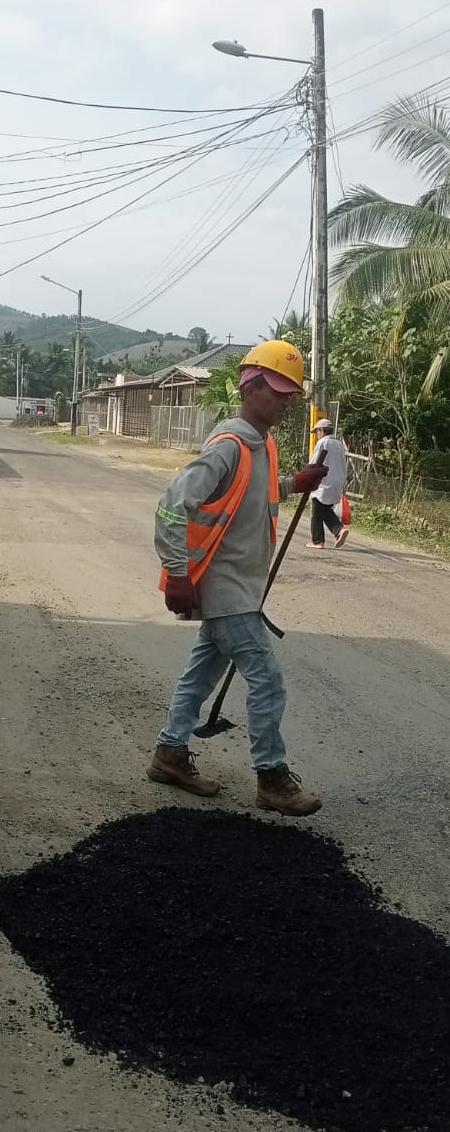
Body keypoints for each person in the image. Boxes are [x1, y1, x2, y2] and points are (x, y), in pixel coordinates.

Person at [149, 340, 328, 817]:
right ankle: (271, 777)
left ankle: (170, 752)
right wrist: (177, 571)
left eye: (291, 394)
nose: (287, 401)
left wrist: (295, 484)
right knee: (267, 679)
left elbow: (255, 494)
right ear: (250, 388)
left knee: (200, 674)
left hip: (241, 587)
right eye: (278, 391)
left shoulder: (261, 444)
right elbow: (172, 505)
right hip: (225, 588)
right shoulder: (228, 445)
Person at [307, 417, 349, 549]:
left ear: (322, 431)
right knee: (324, 509)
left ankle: (317, 540)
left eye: (317, 432)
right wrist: (344, 483)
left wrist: (307, 475)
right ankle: (339, 530)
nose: (317, 435)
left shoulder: (323, 443)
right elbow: (343, 464)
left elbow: (314, 462)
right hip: (337, 481)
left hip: (324, 482)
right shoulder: (339, 444)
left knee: (317, 511)